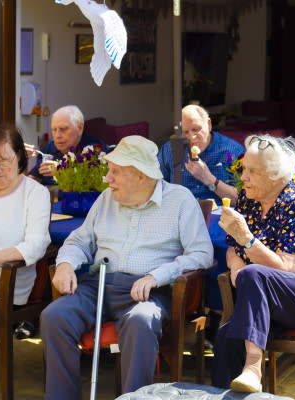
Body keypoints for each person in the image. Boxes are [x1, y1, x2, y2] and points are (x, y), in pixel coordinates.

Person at [40, 135, 214, 399]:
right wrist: (65, 264)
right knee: (53, 317)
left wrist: (157, 276)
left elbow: (202, 253)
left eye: (115, 172)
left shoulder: (180, 200)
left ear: (141, 176)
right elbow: (78, 241)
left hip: (148, 292)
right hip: (97, 286)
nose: (107, 179)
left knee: (141, 320)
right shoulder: (106, 199)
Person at [211, 135, 295, 393]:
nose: (243, 177)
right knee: (227, 337)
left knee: (255, 273)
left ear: (275, 175)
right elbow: (233, 249)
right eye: (243, 169)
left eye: (252, 171)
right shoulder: (248, 199)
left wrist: (247, 239)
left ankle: (253, 367)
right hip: (269, 302)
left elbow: (282, 267)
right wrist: (237, 267)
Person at [0, 124, 51, 338]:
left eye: (4, 161)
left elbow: (36, 246)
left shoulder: (35, 193)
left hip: (6, 287)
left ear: (19, 156)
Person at [158, 104, 245, 206]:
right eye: (185, 132)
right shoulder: (170, 149)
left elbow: (245, 201)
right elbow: (156, 190)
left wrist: (209, 179)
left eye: (196, 129)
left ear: (209, 124)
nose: (192, 137)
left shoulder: (232, 150)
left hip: (220, 217)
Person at [26, 105, 108, 186]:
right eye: (54, 129)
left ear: (79, 128)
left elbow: (94, 184)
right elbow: (32, 181)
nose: (57, 135)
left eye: (63, 129)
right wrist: (22, 161)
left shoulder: (95, 148)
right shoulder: (50, 149)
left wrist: (62, 171)